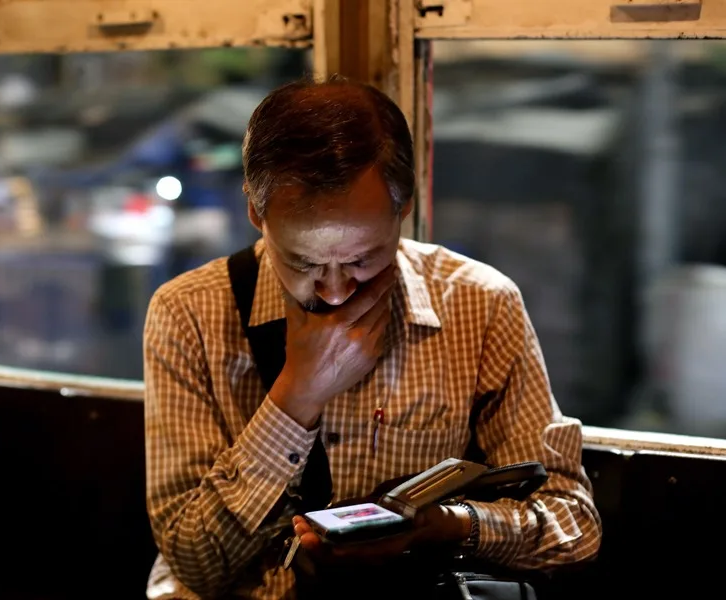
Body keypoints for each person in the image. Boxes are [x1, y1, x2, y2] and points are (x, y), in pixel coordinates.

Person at [143, 76, 602, 599]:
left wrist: (448, 525)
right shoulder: (189, 312)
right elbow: (194, 562)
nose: (336, 292)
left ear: (402, 207)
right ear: (255, 211)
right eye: (303, 262)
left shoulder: (479, 303)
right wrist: (297, 394)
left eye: (363, 259)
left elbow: (573, 526)